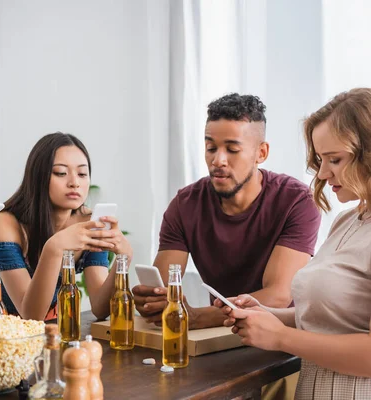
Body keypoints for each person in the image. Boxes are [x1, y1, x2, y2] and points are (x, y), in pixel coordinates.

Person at [219, 88, 371, 399]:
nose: (323, 173)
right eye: (320, 159)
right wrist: (269, 315)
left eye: (335, 159)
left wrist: (282, 339)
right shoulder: (348, 221)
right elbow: (332, 319)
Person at [133, 93, 321, 330]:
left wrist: (198, 317)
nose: (218, 160)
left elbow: (278, 296)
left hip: (279, 335)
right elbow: (163, 285)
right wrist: (153, 302)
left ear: (261, 153)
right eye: (211, 147)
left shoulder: (297, 201)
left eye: (232, 149)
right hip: (218, 333)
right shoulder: (185, 205)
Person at [0, 133, 132, 320]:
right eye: (61, 173)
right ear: (38, 177)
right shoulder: (4, 224)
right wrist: (54, 247)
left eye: (82, 174)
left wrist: (124, 257)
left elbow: (100, 308)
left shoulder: (88, 222)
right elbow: (30, 316)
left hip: (53, 327)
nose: (74, 182)